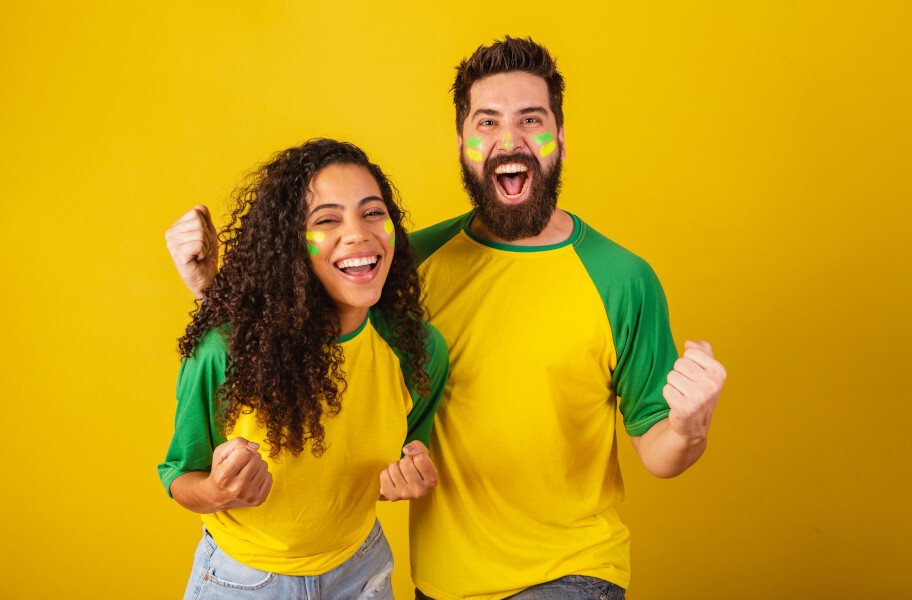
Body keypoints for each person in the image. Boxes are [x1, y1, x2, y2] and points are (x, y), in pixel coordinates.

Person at [166, 37, 726, 600]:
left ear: (560, 136)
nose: (510, 140)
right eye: (487, 123)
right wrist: (210, 289)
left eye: (531, 119)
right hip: (440, 582)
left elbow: (660, 452)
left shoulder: (623, 279)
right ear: (463, 143)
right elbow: (302, 321)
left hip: (575, 570)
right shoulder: (403, 265)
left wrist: (688, 426)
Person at [158, 139, 448, 600]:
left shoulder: (418, 350)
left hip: (362, 572)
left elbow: (397, 457)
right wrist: (217, 490)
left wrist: (407, 477)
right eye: (327, 219)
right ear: (290, 245)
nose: (358, 234)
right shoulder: (223, 351)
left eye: (372, 212)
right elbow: (179, 476)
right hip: (243, 582)